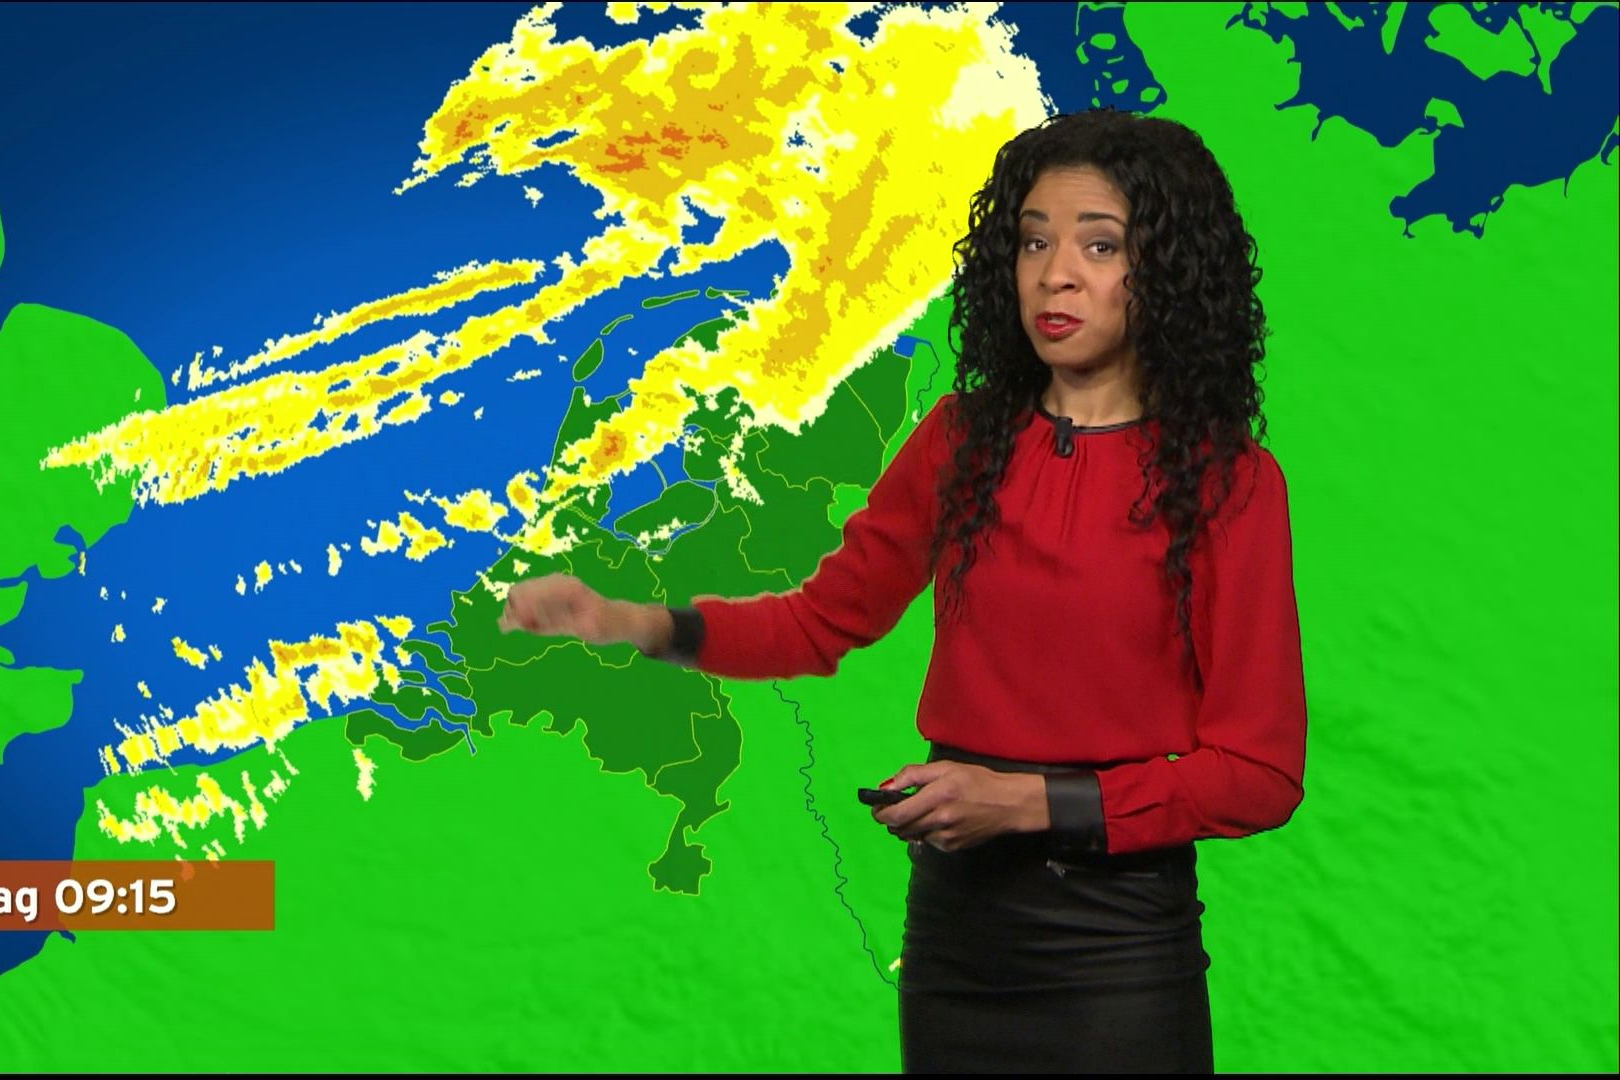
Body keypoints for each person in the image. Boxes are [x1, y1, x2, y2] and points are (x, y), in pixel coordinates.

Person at [497, 108, 1307, 1074]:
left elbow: (1258, 774)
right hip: (955, 942)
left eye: (1100, 246)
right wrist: (631, 621)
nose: (1055, 275)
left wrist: (1027, 803)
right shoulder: (961, 441)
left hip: (1116, 954)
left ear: (1167, 269)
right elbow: (818, 623)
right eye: (1034, 242)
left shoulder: (1229, 484)